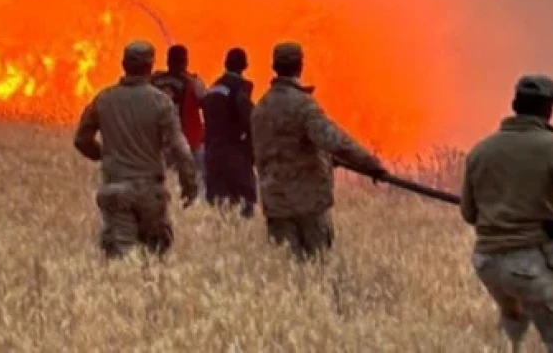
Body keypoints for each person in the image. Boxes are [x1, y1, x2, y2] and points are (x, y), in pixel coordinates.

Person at [459, 74, 553, 353]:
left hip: (486, 262)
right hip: (528, 265)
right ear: (549, 109)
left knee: (514, 330)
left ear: (514, 105)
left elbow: (469, 213)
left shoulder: (480, 152)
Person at [251, 41, 388, 261]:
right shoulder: (303, 105)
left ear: (274, 66)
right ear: (300, 66)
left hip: (275, 205)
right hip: (308, 204)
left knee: (286, 275)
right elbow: (334, 141)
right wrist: (371, 164)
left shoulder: (260, 108)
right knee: (318, 270)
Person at [73, 40, 199, 259]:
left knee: (121, 261)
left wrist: (105, 154)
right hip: (151, 193)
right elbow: (180, 149)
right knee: (156, 259)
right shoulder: (161, 102)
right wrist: (189, 184)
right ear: (150, 66)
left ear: (123, 64)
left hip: (116, 190)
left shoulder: (104, 99)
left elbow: (82, 140)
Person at [201, 47, 258, 217]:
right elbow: (248, 118)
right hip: (235, 153)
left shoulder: (212, 88)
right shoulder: (241, 87)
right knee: (244, 204)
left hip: (212, 153)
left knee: (218, 206)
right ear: (245, 65)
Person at [152, 44, 208, 189]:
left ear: (168, 60)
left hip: (160, 144)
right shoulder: (193, 83)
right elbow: (207, 103)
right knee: (197, 183)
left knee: (164, 184)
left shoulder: (154, 81)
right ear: (185, 61)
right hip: (189, 143)